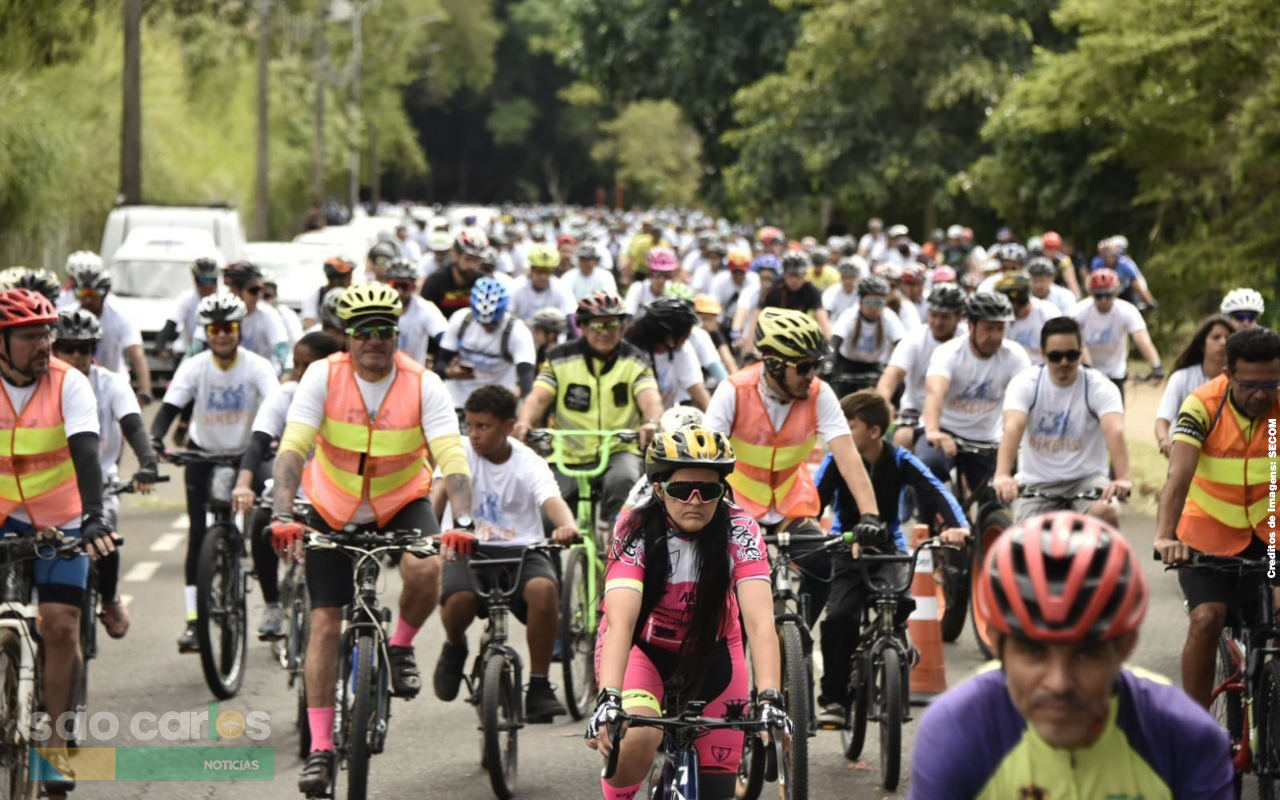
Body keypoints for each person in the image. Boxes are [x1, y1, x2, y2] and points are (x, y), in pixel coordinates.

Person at [266, 282, 474, 793]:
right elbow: (294, 447)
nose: (374, 341)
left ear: (397, 334)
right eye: (363, 332)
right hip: (331, 504)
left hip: (401, 499)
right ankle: (319, 748)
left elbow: (451, 456)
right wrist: (280, 512)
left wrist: (464, 523)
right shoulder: (322, 374)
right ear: (347, 337)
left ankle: (401, 646)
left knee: (427, 566)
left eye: (384, 331)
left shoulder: (424, 383)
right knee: (324, 623)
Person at [911, 512, 1234, 799]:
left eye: (1086, 653)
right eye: (1033, 652)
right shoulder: (956, 731)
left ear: (1126, 645)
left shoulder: (1186, 738)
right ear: (996, 643)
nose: (1059, 683)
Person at [585, 427, 791, 800]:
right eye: (682, 490)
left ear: (722, 492)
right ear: (660, 489)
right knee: (639, 735)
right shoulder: (634, 527)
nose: (695, 500)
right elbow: (620, 622)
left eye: (709, 490)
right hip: (642, 648)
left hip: (712, 651)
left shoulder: (740, 528)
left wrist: (771, 697)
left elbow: (760, 623)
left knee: (716, 792)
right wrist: (609, 698)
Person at [0, 288, 119, 794]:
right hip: (4, 516)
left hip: (62, 519)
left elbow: (86, 450)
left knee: (62, 627)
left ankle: (53, 748)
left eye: (47, 332)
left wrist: (93, 516)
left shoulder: (71, 384)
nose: (44, 343)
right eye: (30, 335)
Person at [812, 391, 968, 726]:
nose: (842, 431)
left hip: (889, 548)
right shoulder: (836, 460)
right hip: (844, 545)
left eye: (850, 425)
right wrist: (809, 532)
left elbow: (936, 490)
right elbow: (812, 502)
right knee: (840, 616)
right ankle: (836, 699)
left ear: (874, 430)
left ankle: (895, 646)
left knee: (898, 600)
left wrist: (959, 527)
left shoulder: (899, 459)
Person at [430, 385, 578, 722]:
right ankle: (455, 646)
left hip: (521, 550)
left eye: (484, 426)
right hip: (468, 547)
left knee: (544, 590)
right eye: (470, 426)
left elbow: (551, 501)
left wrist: (566, 526)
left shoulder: (529, 461)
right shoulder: (458, 453)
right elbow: (438, 494)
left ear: (508, 427)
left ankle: (539, 685)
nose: (475, 434)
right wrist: (429, 532)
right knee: (459, 599)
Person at [704, 307, 884, 580]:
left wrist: (870, 514)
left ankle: (802, 624)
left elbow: (849, 458)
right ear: (774, 364)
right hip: (737, 502)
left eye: (815, 365)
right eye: (803, 367)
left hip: (792, 501)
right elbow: (705, 460)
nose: (811, 375)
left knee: (822, 567)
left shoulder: (819, 394)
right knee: (725, 575)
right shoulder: (733, 391)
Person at [1153, 326, 1280, 710]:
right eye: (1250, 385)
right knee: (1208, 618)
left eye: (1271, 384)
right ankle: (1195, 729)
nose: (1261, 395)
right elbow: (1178, 478)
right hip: (1208, 536)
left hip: (1271, 536)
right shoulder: (1201, 405)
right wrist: (1164, 536)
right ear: (1228, 375)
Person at [150, 294, 279, 650]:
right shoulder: (194, 366)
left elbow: (274, 406)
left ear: (239, 330)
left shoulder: (257, 366)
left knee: (261, 524)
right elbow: (169, 409)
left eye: (229, 328)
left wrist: (277, 439)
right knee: (196, 536)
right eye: (215, 329)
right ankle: (194, 621)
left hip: (248, 454)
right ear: (206, 333)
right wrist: (155, 440)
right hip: (203, 455)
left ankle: (272, 605)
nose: (222, 335)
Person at [513, 291, 664, 526]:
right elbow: (538, 399)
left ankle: (619, 550)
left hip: (618, 450)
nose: (604, 332)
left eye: (612, 324)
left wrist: (652, 423)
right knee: (546, 515)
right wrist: (524, 422)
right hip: (567, 454)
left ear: (622, 327)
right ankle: (550, 561)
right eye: (596, 325)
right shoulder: (558, 358)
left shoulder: (636, 360)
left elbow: (650, 398)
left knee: (624, 483)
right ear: (581, 326)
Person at [52, 307, 158, 640]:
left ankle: (109, 597)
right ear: (53, 348)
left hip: (102, 480)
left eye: (84, 348)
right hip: (51, 486)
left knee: (105, 530)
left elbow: (132, 423)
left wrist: (147, 462)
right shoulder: (42, 384)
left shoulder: (110, 383)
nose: (76, 356)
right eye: (67, 347)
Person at [230, 332, 342, 639]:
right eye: (296, 365)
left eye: (310, 366)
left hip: (334, 495)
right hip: (290, 491)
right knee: (261, 524)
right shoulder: (285, 394)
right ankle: (272, 605)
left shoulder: (346, 396)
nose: (300, 373)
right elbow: (258, 442)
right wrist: (244, 484)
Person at [994, 317, 1129, 525]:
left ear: (1081, 351)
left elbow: (1115, 431)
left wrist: (1122, 478)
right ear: (1043, 354)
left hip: (1086, 481)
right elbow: (1012, 427)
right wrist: (1003, 475)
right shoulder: (1025, 383)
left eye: (1072, 355)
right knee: (1024, 539)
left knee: (1106, 512)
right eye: (1056, 356)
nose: (1064, 363)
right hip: (1037, 484)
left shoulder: (1099, 386)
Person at [917, 292, 1030, 512]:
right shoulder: (948, 352)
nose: (995, 336)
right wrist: (932, 431)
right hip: (945, 432)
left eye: (1000, 328)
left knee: (999, 500)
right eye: (988, 328)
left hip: (987, 438)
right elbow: (935, 392)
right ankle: (929, 527)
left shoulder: (1015, 355)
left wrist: (1020, 438)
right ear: (971, 326)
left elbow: (1026, 398)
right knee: (928, 468)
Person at [876, 282, 967, 447]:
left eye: (945, 317)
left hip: (956, 414)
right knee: (901, 440)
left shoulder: (967, 340)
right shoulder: (914, 339)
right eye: (934, 315)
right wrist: (882, 403)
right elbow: (892, 375)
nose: (938, 322)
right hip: (916, 411)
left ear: (959, 317)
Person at [435, 277, 537, 409]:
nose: (487, 327)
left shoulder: (517, 331)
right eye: (482, 322)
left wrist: (523, 403)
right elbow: (440, 364)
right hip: (458, 399)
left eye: (494, 322)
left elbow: (526, 374)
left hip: (497, 402)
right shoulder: (461, 320)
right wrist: (449, 371)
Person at [65, 258, 154, 406]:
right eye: (83, 293)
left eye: (93, 294)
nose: (87, 300)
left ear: (104, 293)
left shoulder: (120, 314)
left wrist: (145, 391)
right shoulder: (67, 315)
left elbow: (137, 353)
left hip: (113, 383)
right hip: (76, 381)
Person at [1073, 268, 1163, 403]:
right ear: (1090, 293)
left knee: (1115, 418)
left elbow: (1141, 339)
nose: (1103, 299)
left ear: (1115, 292)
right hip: (1086, 373)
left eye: (1108, 294)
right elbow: (1074, 341)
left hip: (1115, 373)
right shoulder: (1079, 311)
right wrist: (1086, 366)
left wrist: (1156, 366)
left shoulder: (1127, 310)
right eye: (1098, 295)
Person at [1154, 315, 1236, 457]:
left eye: (1228, 338)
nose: (1223, 342)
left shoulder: (1238, 382)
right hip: (1185, 453)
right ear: (1202, 345)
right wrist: (1164, 442)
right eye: (1216, 337)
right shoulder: (1181, 378)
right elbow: (1163, 418)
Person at [195, 261, 290, 373]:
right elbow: (197, 346)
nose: (260, 295)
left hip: (260, 376)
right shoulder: (218, 310)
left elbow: (281, 346)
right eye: (254, 290)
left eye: (261, 290)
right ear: (235, 291)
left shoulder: (268, 313)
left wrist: (287, 371)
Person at [624, 297, 710, 410]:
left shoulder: (682, 349)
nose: (687, 338)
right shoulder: (631, 352)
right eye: (685, 334)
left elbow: (697, 389)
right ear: (669, 336)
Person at [827, 275, 907, 387]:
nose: (874, 308)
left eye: (879, 303)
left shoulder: (889, 317)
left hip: (873, 367)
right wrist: (828, 363)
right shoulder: (849, 316)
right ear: (860, 302)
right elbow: (835, 341)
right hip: (846, 366)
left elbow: (901, 345)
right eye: (870, 302)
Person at [382, 257, 448, 365]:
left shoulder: (425, 308)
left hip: (413, 373)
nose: (399, 291)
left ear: (413, 287)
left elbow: (443, 335)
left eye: (405, 286)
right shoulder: (376, 308)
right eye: (395, 286)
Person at [995, 272, 1061, 365]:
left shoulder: (1047, 312)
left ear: (1020, 299)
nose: (1004, 307)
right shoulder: (1003, 319)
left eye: (1008, 302)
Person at [761, 252, 831, 337]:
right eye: (790, 275)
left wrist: (830, 344)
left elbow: (822, 319)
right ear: (784, 274)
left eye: (798, 275)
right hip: (774, 332)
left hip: (800, 333)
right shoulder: (773, 290)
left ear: (805, 274)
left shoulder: (812, 291)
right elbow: (758, 317)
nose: (794, 280)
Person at [422, 228, 485, 318]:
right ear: (455, 255)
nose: (472, 266)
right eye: (468, 259)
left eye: (476, 260)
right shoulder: (434, 282)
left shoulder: (484, 282)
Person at [510, 244, 577, 325]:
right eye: (539, 271)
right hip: (523, 332)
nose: (543, 277)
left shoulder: (562, 288)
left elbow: (570, 316)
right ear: (532, 270)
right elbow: (508, 314)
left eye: (547, 271)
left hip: (552, 333)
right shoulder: (516, 286)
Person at [302, 256, 355, 329]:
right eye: (348, 277)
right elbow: (309, 324)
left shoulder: (354, 295)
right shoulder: (316, 296)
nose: (350, 280)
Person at [623, 248, 676, 317]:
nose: (661, 279)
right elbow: (628, 315)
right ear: (650, 272)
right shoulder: (638, 288)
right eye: (657, 274)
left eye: (666, 274)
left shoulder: (673, 290)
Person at [822, 256, 865, 322]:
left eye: (851, 276)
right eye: (845, 276)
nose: (847, 280)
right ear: (841, 276)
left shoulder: (862, 293)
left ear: (856, 277)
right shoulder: (832, 291)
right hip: (834, 327)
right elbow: (826, 314)